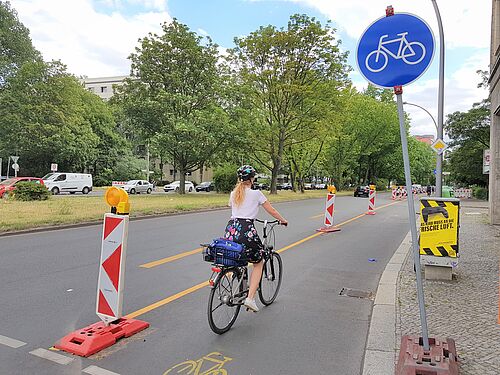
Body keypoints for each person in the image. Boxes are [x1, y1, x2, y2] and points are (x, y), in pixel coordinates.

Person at [224, 165, 288, 313]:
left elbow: (236, 210)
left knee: (240, 257)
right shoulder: (256, 194)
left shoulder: (234, 193)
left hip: (231, 229)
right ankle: (250, 298)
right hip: (247, 230)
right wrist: (283, 220)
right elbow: (271, 210)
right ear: (252, 179)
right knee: (258, 261)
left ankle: (237, 277)